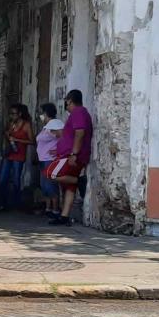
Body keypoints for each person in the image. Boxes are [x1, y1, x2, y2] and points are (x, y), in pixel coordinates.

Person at [46, 90, 93, 226]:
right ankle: (64, 216)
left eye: (66, 100)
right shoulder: (79, 113)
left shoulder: (78, 112)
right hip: (68, 153)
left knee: (51, 173)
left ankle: (79, 181)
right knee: (69, 187)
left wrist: (74, 153)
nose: (65, 103)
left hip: (71, 156)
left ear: (70, 100)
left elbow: (80, 133)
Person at [0, 103, 33, 209]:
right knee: (3, 178)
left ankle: (16, 202)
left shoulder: (26, 125)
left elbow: (32, 141)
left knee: (16, 178)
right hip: (9, 154)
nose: (11, 116)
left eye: (14, 114)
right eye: (10, 114)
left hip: (19, 155)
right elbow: (6, 136)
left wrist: (17, 140)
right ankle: (3, 202)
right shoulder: (11, 124)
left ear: (20, 114)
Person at [35, 103, 64, 219]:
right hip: (43, 159)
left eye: (42, 113)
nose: (41, 115)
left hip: (50, 160)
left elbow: (63, 136)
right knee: (44, 186)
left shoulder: (55, 124)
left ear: (46, 113)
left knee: (51, 185)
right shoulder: (47, 126)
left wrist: (59, 151)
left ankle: (55, 209)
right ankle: (48, 208)